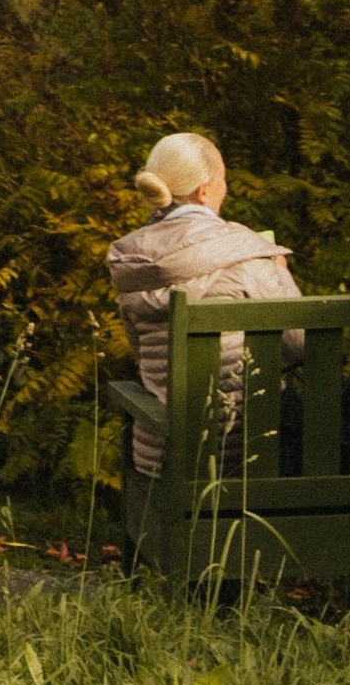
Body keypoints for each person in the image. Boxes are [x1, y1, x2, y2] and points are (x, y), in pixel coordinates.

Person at [105, 133, 301, 474]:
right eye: (223, 179)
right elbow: (299, 345)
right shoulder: (246, 253)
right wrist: (279, 274)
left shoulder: (133, 262)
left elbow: (143, 357)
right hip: (251, 457)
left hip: (163, 461)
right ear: (205, 191)